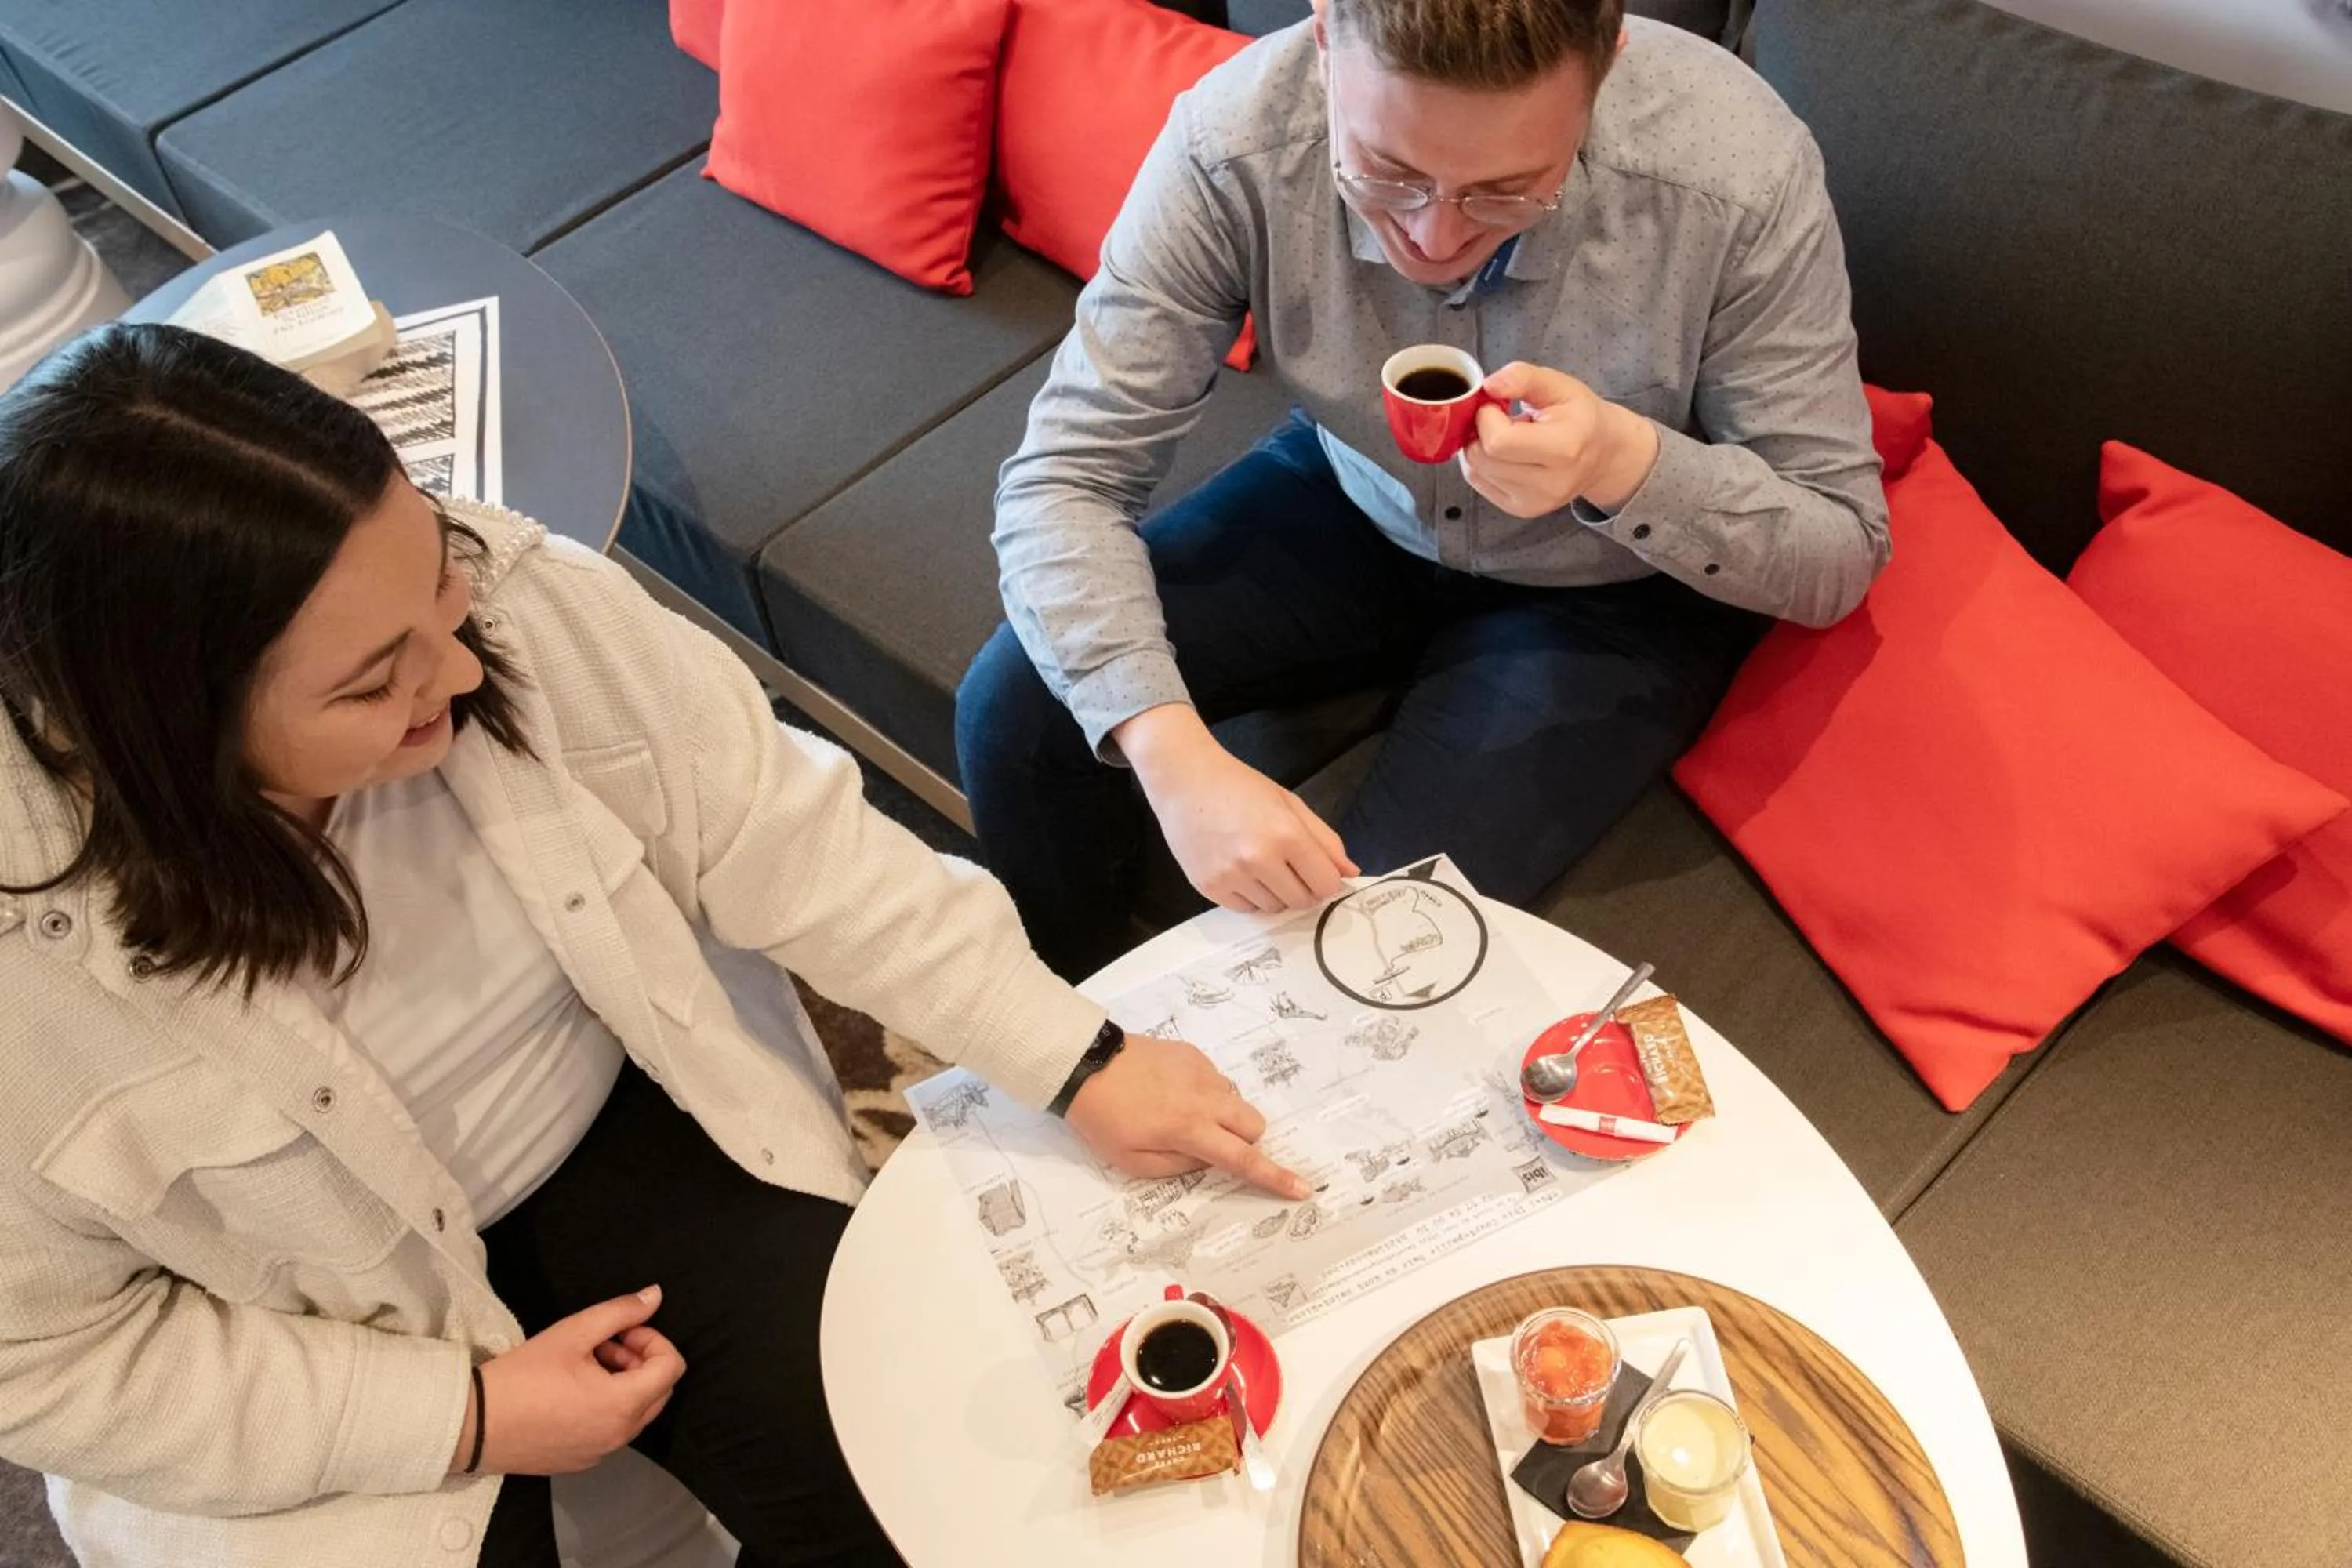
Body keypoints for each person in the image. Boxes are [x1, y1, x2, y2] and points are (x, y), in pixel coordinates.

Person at [0, 324, 1307, 1568]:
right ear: (162, 728)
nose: (457, 677)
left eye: (442, 588)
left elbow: (793, 843)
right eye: (370, 682)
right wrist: (463, 1416)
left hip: (615, 1121)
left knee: (906, 1479)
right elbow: (47, 1358)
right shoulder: (32, 962)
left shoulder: (524, 608)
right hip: (277, 1322)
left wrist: (1074, 1053)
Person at [956, 0, 1889, 982]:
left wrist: (1622, 459)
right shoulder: (1233, 142)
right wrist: (1172, 754)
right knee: (1015, 709)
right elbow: (1066, 474)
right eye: (1386, 172)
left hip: (1620, 585)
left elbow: (1839, 546)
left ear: (1604, 71)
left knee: (1375, 945)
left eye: (1508, 192)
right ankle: (1087, 1032)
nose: (1435, 238)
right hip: (1356, 497)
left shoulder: (1734, 175)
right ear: (1323, 37)